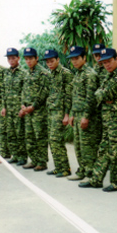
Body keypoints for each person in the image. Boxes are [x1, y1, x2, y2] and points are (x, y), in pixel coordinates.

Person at [79, 48, 117, 192]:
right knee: (104, 149)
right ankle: (96, 179)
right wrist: (104, 96)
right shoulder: (110, 75)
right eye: (104, 63)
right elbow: (101, 93)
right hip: (109, 118)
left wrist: (105, 97)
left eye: (109, 61)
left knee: (116, 152)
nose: (106, 65)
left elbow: (102, 94)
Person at [67, 46, 99, 181]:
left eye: (77, 58)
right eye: (72, 59)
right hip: (78, 113)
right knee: (79, 145)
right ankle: (82, 170)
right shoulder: (78, 74)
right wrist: (73, 113)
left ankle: (90, 172)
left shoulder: (90, 74)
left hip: (87, 115)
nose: (74, 61)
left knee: (87, 146)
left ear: (84, 58)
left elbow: (90, 98)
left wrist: (86, 116)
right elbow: (75, 96)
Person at [19, 47, 51, 171]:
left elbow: (44, 91)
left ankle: (42, 162)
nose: (28, 61)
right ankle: (34, 159)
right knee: (29, 136)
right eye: (26, 59)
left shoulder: (43, 73)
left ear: (36, 58)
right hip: (27, 110)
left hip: (38, 111)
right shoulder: (26, 73)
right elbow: (24, 90)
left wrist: (34, 106)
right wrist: (23, 105)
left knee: (40, 136)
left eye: (31, 58)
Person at [44, 49, 73, 177]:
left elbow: (69, 95)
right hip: (51, 110)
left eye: (52, 61)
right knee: (52, 140)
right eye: (47, 62)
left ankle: (65, 168)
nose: (49, 63)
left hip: (60, 111)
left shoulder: (65, 73)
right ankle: (58, 167)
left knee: (57, 139)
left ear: (57, 60)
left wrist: (67, 114)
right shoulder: (50, 74)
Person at [1, 48, 28, 166]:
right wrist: (3, 106)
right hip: (9, 109)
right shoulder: (6, 73)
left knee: (20, 133)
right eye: (9, 58)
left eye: (13, 58)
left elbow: (26, 91)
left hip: (18, 108)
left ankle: (22, 156)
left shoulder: (24, 73)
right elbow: (4, 90)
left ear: (18, 58)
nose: (11, 60)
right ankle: (15, 155)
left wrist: (23, 107)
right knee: (10, 133)